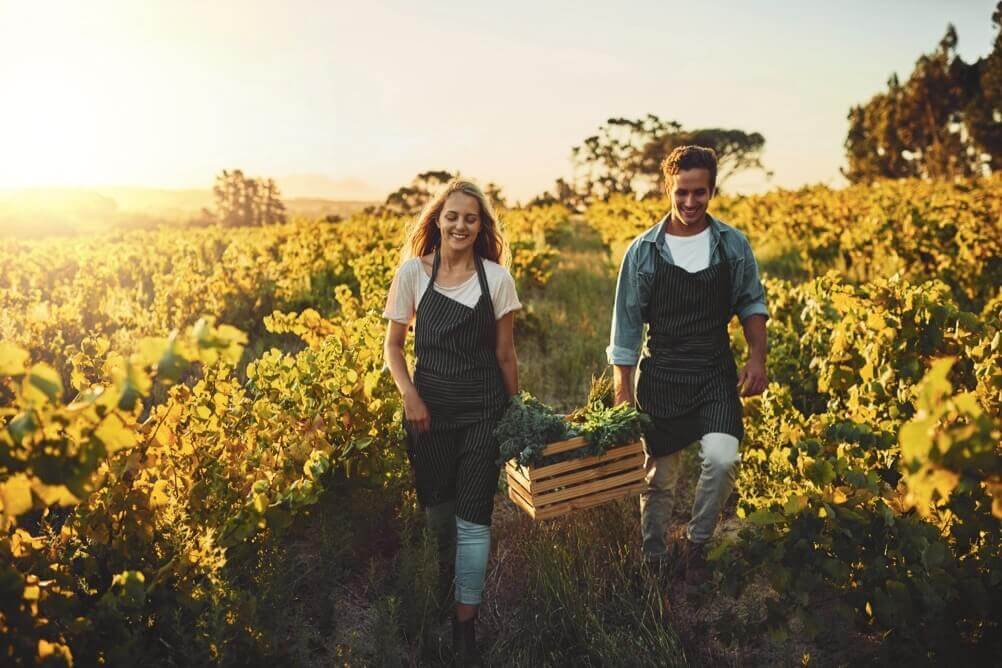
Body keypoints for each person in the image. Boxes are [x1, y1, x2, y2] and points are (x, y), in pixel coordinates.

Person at [607, 145, 769, 583]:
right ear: (667, 188)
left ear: (712, 189)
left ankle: (697, 544)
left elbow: (751, 301)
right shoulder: (642, 252)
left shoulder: (732, 244)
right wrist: (623, 388)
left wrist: (757, 356)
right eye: (681, 193)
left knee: (721, 457)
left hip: (715, 371)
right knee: (659, 478)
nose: (690, 203)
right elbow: (625, 329)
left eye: (700, 193)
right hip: (662, 374)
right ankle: (654, 556)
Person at [383, 179, 520, 665]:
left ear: (481, 227)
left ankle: (466, 625)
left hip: (483, 410)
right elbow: (394, 347)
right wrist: (411, 397)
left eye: (471, 218)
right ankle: (441, 592)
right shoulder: (413, 274)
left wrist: (516, 413)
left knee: (474, 521)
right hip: (429, 414)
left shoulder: (497, 279)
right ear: (437, 220)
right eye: (453, 216)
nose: (461, 225)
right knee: (438, 517)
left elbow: (505, 355)